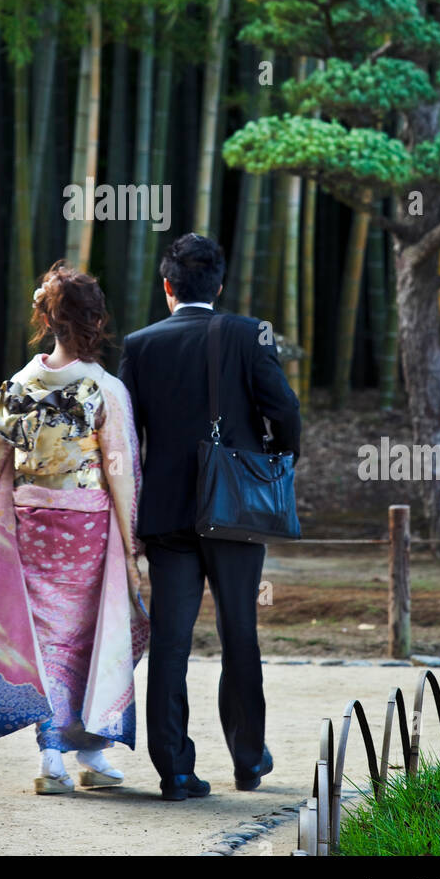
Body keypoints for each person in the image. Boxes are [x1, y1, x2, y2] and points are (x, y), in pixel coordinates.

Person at [118, 232, 301, 800]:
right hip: (236, 508)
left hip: (167, 515)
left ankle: (174, 771)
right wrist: (275, 463)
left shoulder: (140, 344)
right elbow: (285, 410)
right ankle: (248, 761)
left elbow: (126, 437)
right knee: (239, 632)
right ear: (218, 285)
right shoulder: (248, 335)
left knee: (171, 642)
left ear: (167, 286)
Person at [0, 260, 149, 795]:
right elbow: (121, 472)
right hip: (88, 529)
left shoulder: (17, 385)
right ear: (96, 322)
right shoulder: (102, 387)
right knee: (90, 638)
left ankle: (56, 758)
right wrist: (131, 544)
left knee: (46, 642)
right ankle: (91, 750)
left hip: (30, 525)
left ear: (46, 320)